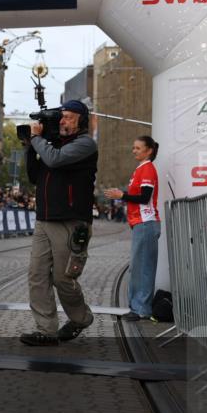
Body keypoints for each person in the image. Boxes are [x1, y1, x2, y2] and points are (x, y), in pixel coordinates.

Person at [20, 100, 98, 346]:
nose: (63, 121)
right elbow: (34, 175)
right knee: (37, 275)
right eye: (61, 117)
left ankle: (81, 318)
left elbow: (54, 160)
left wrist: (37, 139)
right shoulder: (51, 145)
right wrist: (30, 146)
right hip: (44, 219)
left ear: (81, 121)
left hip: (70, 221)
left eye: (69, 117)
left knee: (63, 278)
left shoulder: (84, 144)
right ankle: (46, 329)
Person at [104, 136, 161, 321]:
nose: (133, 151)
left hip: (146, 222)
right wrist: (122, 195)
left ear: (149, 150)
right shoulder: (141, 169)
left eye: (137, 148)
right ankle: (137, 307)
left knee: (142, 268)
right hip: (141, 223)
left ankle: (141, 309)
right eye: (133, 147)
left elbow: (144, 197)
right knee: (138, 267)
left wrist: (122, 195)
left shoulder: (147, 169)